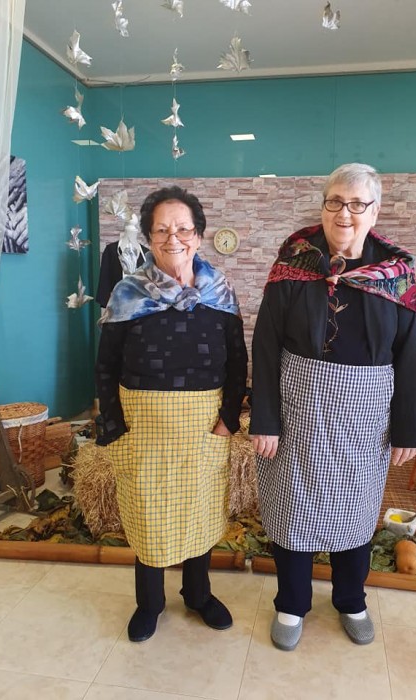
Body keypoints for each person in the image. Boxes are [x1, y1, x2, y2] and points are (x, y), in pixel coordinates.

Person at [250, 163, 416, 651]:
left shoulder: (396, 273)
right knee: (293, 510)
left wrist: (408, 428)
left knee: (357, 512)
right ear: (323, 206)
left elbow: (408, 351)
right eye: (334, 202)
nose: (344, 213)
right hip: (298, 410)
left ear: (375, 211)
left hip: (365, 419)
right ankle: (291, 603)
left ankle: (351, 600)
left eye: (356, 204)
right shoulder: (294, 261)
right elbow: (266, 343)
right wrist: (265, 418)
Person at [95, 185, 248, 642]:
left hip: (203, 426)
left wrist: (228, 419)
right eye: (161, 230)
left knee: (199, 510)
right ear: (148, 238)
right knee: (148, 514)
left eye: (183, 228)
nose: (173, 238)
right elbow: (105, 366)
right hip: (143, 427)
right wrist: (114, 425)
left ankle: (198, 594)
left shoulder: (220, 292)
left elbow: (237, 361)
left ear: (198, 235)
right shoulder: (127, 293)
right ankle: (150, 602)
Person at [95, 214, 149, 308]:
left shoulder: (146, 253)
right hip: (117, 307)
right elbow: (105, 281)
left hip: (141, 308)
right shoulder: (111, 250)